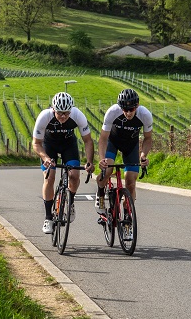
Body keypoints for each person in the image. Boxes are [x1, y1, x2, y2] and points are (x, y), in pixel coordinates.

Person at [32, 91, 95, 234]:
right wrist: (45, 158)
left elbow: (87, 141)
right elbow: (36, 143)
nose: (63, 117)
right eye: (59, 113)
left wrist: (89, 161)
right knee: (50, 177)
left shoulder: (77, 115)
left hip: (68, 145)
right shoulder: (44, 117)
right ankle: (48, 218)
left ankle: (70, 202)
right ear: (53, 109)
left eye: (66, 113)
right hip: (49, 146)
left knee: (74, 175)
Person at [95, 89, 154, 230]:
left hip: (131, 146)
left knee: (131, 181)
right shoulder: (112, 112)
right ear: (120, 107)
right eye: (125, 109)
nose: (128, 113)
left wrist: (143, 155)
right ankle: (100, 192)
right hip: (113, 143)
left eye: (131, 109)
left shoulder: (145, 115)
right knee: (108, 169)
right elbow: (103, 139)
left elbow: (148, 138)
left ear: (137, 105)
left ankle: (127, 217)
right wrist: (102, 159)